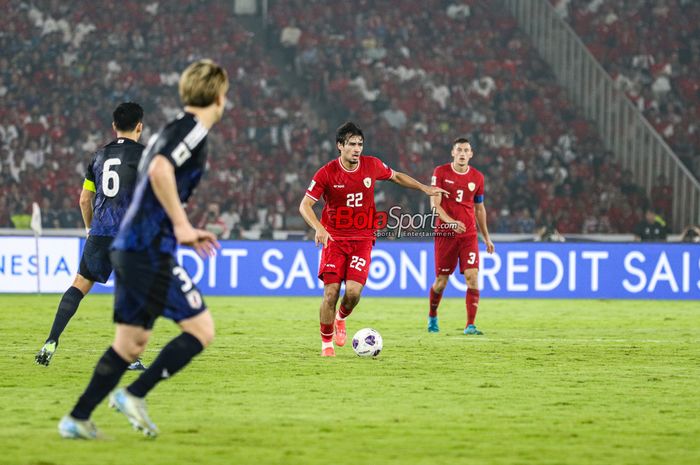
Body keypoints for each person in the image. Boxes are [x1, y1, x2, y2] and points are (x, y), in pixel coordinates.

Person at [58, 59, 228, 439]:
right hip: (147, 248)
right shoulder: (193, 132)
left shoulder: (173, 129)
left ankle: (78, 418)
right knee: (201, 329)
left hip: (129, 245)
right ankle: (134, 394)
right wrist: (182, 227)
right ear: (218, 96)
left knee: (130, 344)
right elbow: (160, 170)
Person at [299, 121, 447, 357]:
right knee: (331, 293)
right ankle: (326, 344)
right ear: (340, 146)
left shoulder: (372, 165)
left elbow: (396, 176)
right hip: (334, 240)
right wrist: (318, 227)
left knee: (353, 293)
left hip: (363, 239)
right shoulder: (326, 173)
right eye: (351, 144)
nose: (357, 149)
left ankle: (340, 318)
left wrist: (424, 188)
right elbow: (305, 205)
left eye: (360, 144)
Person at [35, 102, 147, 370]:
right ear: (139, 127)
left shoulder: (98, 157)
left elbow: (85, 199)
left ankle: (51, 340)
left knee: (79, 284)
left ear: (113, 126)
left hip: (100, 231)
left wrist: (90, 229)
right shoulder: (145, 156)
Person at [427, 138, 494, 335]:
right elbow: (434, 205)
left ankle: (470, 325)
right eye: (459, 150)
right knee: (441, 282)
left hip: (468, 235)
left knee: (473, 277)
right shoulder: (440, 172)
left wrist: (486, 238)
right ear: (453, 153)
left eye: (466, 150)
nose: (463, 153)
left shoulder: (478, 177)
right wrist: (451, 222)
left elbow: (479, 209)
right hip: (446, 234)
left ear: (471, 154)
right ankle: (432, 316)